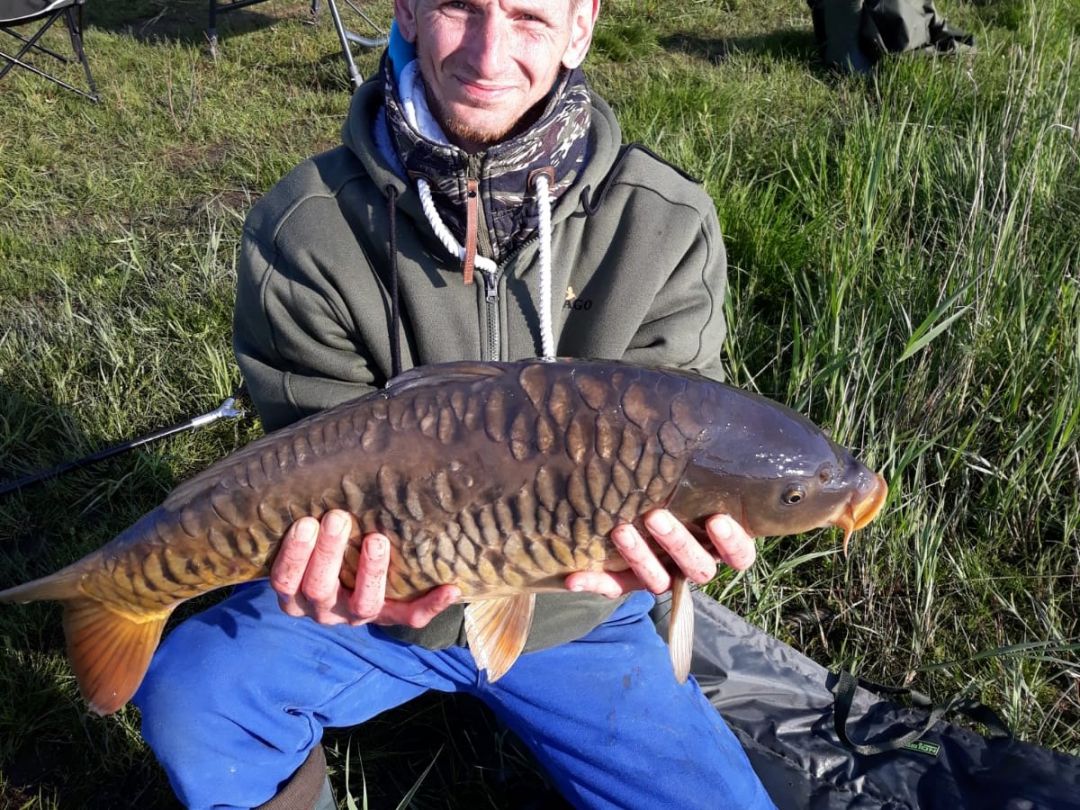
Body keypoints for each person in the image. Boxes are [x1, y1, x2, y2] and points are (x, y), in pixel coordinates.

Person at [134, 2, 776, 808]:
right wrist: (326, 574)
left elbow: (696, 449)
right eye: (457, 8)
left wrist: (686, 556)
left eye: (529, 17)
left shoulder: (664, 225)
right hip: (369, 612)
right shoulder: (305, 232)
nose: (487, 52)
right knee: (194, 701)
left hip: (582, 615)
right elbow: (302, 472)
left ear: (582, 26)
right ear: (404, 8)